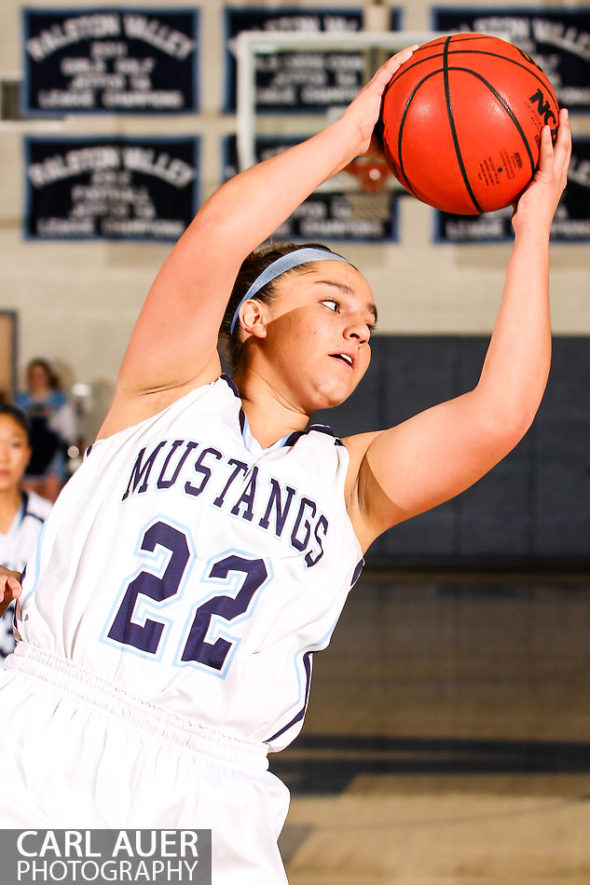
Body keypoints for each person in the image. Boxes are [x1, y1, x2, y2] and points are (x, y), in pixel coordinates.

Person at [0, 46, 570, 883]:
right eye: (333, 303)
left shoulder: (349, 482)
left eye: (369, 323)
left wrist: (534, 231)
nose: (357, 329)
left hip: (211, 783)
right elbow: (221, 232)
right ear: (255, 315)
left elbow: (500, 411)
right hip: (54, 739)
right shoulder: (163, 393)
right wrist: (353, 131)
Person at [0, 405, 52, 658]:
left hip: (30, 682)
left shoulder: (53, 520)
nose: (3, 457)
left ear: (28, 454)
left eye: (15, 444)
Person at [16, 357, 77, 501]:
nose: (37, 379)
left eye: (40, 375)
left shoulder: (60, 401)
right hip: (30, 458)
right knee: (28, 500)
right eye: (33, 376)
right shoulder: (21, 401)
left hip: (52, 457)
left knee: (50, 500)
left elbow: (69, 432)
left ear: (48, 377)